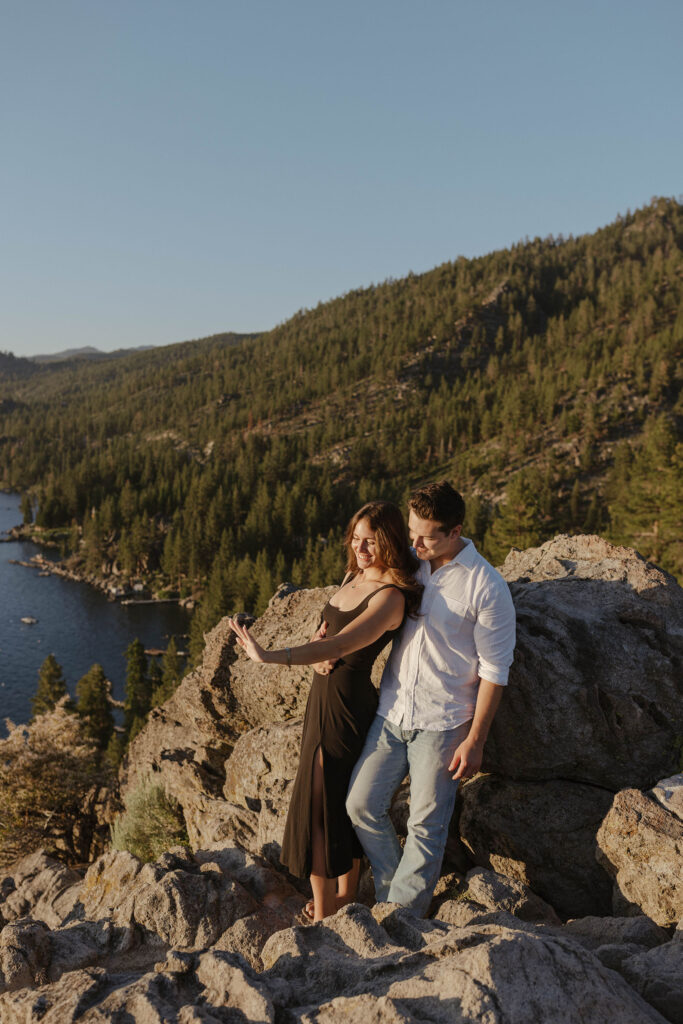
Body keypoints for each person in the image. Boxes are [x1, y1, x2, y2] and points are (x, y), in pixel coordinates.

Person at [228, 500, 422, 922]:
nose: (361, 548)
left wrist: (269, 656)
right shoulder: (354, 574)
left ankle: (331, 908)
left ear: (389, 541)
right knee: (334, 800)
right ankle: (343, 900)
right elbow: (330, 634)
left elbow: (341, 646)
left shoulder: (390, 597)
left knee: (321, 805)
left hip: (347, 709)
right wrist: (316, 649)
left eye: (371, 541)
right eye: (356, 539)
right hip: (324, 697)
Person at [346, 480, 516, 917]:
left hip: (444, 722)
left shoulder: (487, 587)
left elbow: (495, 673)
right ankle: (391, 892)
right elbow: (359, 594)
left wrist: (475, 740)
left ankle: (400, 921)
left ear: (455, 531)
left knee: (426, 825)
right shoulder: (409, 564)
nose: (414, 542)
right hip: (392, 711)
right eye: (410, 530)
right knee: (360, 804)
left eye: (426, 535)